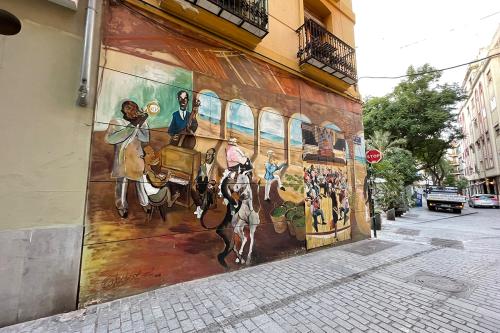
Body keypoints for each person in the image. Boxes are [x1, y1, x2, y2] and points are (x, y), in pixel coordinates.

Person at [105, 100, 150, 218]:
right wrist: (132, 126)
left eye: (133, 108)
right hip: (122, 158)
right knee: (122, 182)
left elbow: (145, 138)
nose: (131, 111)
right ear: (123, 111)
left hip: (136, 157)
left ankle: (145, 203)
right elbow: (110, 139)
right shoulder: (116, 122)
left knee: (140, 181)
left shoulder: (142, 122)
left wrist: (139, 125)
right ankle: (121, 206)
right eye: (128, 108)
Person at [192, 148, 218, 218]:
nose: (207, 155)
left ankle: (201, 209)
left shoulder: (214, 167)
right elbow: (200, 177)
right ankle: (198, 206)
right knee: (193, 188)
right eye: (207, 153)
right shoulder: (203, 165)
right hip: (203, 184)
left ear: (213, 155)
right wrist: (196, 181)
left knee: (208, 189)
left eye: (209, 154)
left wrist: (210, 183)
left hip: (210, 185)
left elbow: (215, 180)